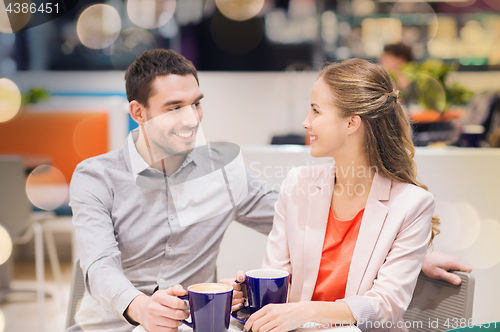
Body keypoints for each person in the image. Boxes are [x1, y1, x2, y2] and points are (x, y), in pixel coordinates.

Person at [67, 49, 278, 332]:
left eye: (196, 104)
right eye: (174, 107)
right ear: (138, 112)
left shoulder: (223, 172)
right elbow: (100, 264)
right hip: (110, 327)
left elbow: (290, 219)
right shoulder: (96, 176)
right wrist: (142, 308)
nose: (191, 120)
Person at [241, 58, 442, 332]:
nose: (305, 123)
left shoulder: (412, 204)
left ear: (351, 123)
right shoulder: (298, 185)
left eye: (315, 111)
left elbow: (386, 306)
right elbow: (277, 277)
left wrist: (305, 312)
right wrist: (247, 293)